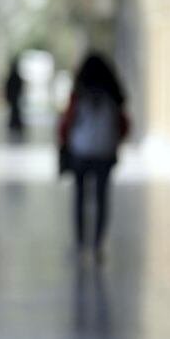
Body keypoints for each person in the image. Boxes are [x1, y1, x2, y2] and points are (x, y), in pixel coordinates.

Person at [57, 52, 129, 263]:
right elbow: (123, 124)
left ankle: (80, 244)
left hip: (81, 151)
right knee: (101, 197)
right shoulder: (113, 94)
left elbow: (67, 122)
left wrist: (64, 142)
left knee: (80, 197)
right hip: (105, 151)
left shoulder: (79, 93)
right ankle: (97, 245)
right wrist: (115, 141)